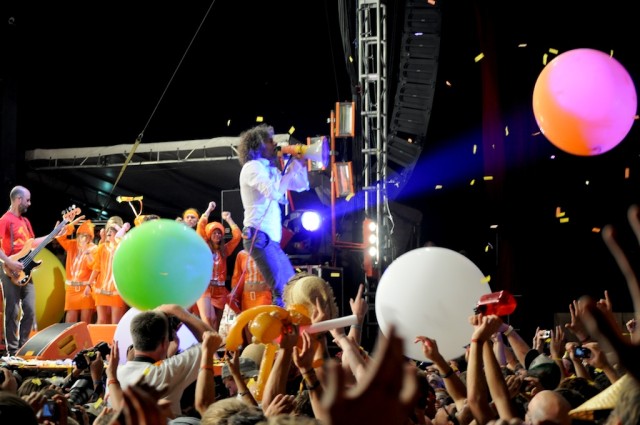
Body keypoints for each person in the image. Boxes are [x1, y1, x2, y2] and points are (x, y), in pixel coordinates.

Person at [237, 124, 310, 307]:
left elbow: (301, 185)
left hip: (270, 240)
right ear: (258, 145)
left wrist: (299, 166)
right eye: (270, 141)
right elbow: (275, 193)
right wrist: (291, 170)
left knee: (291, 287)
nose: (275, 143)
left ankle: (286, 323)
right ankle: (280, 326)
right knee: (282, 289)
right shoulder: (252, 167)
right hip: (258, 236)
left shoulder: (269, 170)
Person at [116, 304, 220, 419]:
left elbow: (146, 369)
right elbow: (213, 340)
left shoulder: (116, 374)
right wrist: (177, 311)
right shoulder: (165, 372)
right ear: (164, 343)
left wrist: (169, 352)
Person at [0, 186, 68, 355]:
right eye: (27, 200)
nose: (29, 203)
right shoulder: (5, 220)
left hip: (26, 270)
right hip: (10, 269)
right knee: (13, 310)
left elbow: (33, 243)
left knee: (30, 309)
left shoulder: (25, 222)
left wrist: (53, 234)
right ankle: (12, 351)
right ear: (18, 200)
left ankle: (23, 347)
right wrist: (9, 262)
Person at [195, 201, 241, 332]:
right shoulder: (203, 246)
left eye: (219, 233)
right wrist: (209, 210)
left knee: (216, 322)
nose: (217, 235)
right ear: (209, 234)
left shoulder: (224, 250)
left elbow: (237, 236)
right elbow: (200, 226)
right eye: (214, 233)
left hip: (220, 290)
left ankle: (212, 343)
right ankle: (207, 343)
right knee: (208, 319)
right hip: (205, 288)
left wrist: (229, 219)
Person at [89, 216, 129, 324]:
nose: (109, 233)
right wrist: (88, 284)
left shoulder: (122, 247)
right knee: (101, 320)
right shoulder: (102, 247)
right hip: (101, 288)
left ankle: (114, 337)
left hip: (116, 289)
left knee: (115, 321)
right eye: (108, 231)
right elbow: (96, 267)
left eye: (113, 230)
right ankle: (98, 336)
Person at [55, 218, 97, 323]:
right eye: (80, 235)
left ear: (90, 237)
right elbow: (60, 237)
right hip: (71, 289)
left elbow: (94, 267)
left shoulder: (94, 249)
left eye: (85, 235)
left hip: (85, 289)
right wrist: (71, 225)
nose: (82, 238)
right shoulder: (72, 245)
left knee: (85, 321)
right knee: (69, 321)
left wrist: (87, 253)